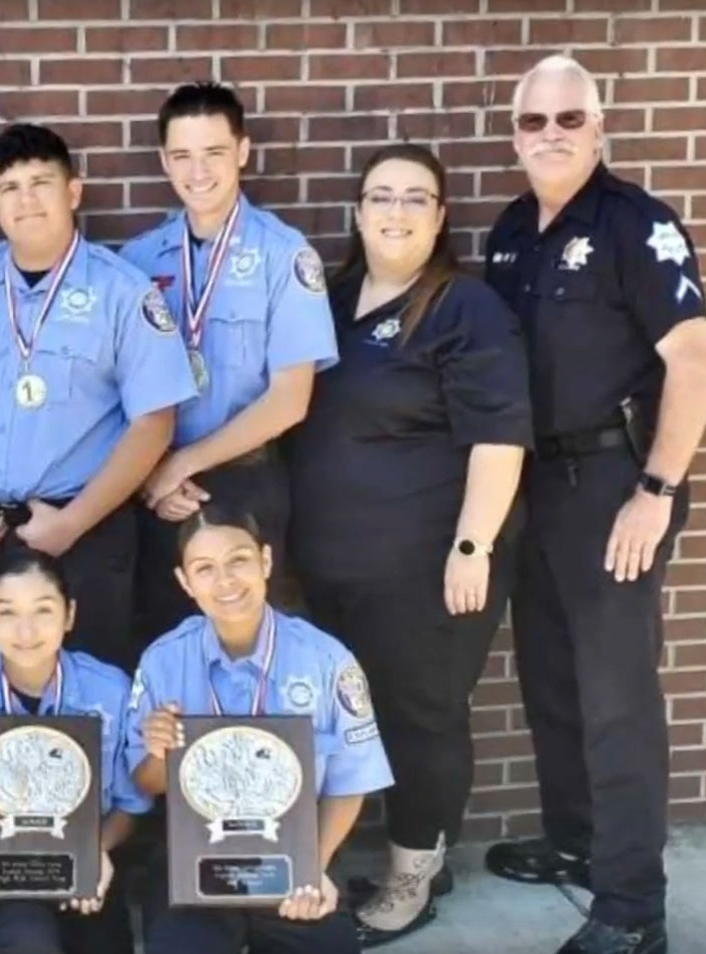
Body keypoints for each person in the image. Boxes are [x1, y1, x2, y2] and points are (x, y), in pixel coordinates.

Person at [482, 55, 706, 954]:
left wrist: (656, 491)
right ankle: (578, 842)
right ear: (514, 135)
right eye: (534, 122)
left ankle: (630, 909)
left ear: (600, 127)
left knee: (616, 700)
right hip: (536, 488)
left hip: (616, 485)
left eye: (569, 119)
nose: (551, 136)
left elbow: (692, 360)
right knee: (550, 681)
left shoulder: (637, 226)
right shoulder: (509, 230)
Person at [285, 143, 534, 946]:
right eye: (380, 197)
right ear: (356, 212)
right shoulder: (334, 296)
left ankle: (412, 877)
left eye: (415, 198)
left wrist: (472, 548)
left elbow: (498, 437)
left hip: (427, 568)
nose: (396, 212)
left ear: (440, 215)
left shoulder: (465, 306)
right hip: (337, 564)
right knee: (366, 716)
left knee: (420, 715)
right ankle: (412, 853)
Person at [0, 122, 196, 671]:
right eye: (9, 188)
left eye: (41, 182)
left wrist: (72, 523)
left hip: (86, 534)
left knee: (91, 698)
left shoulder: (124, 292)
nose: (25, 201)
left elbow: (154, 423)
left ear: (73, 192)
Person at [120, 81, 337, 637]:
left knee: (254, 638)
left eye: (214, 152)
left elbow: (290, 399)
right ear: (164, 161)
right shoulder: (137, 260)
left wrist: (181, 466)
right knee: (166, 642)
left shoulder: (283, 254)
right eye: (183, 156)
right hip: (154, 484)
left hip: (245, 483)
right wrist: (154, 475)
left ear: (242, 151)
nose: (198, 171)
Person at [126, 505, 393, 954]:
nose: (226, 581)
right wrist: (159, 752)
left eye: (239, 560)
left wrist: (313, 867)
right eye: (205, 569)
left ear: (266, 561)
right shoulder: (164, 661)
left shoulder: (326, 660)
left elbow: (351, 782)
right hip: (196, 859)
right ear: (185, 583)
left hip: (295, 853)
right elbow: (147, 784)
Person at [0, 545, 152, 954]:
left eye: (43, 610)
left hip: (87, 862)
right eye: (8, 612)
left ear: (69, 615)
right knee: (30, 941)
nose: (26, 631)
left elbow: (131, 805)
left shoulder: (110, 689)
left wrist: (93, 852)